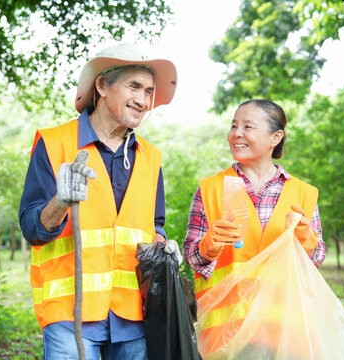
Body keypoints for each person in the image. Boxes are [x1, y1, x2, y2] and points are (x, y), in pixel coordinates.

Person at [19, 43, 182, 360]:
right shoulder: (54, 144)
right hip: (70, 316)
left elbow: (153, 225)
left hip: (134, 316)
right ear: (102, 85)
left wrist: (162, 244)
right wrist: (60, 203)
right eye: (134, 86)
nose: (144, 100)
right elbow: (31, 229)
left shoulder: (151, 158)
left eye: (149, 91)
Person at [183, 99, 325, 351]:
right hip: (225, 337)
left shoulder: (303, 193)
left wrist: (307, 238)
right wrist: (207, 246)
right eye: (233, 126)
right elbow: (193, 259)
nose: (237, 133)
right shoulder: (210, 189)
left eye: (248, 127)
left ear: (275, 137)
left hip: (284, 334)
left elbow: (316, 260)